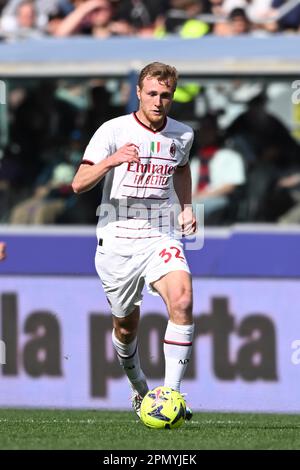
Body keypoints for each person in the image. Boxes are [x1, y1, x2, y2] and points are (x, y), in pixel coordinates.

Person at [72, 62, 196, 419]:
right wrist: (112, 160)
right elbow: (79, 183)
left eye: (166, 95)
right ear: (139, 92)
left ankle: (170, 397)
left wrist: (186, 207)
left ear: (173, 96)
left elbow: (182, 167)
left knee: (183, 299)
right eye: (152, 93)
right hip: (117, 238)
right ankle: (140, 388)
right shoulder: (113, 130)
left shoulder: (183, 134)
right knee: (126, 327)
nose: (159, 102)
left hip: (160, 231)